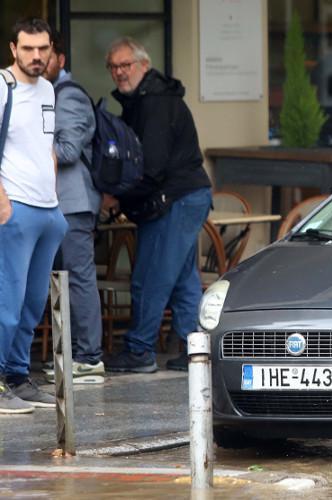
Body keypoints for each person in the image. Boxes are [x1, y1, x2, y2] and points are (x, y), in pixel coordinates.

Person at [102, 37, 212, 373]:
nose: (120, 72)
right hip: (186, 195)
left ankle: (139, 350)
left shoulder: (155, 104)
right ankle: (196, 351)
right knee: (181, 279)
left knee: (151, 276)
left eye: (126, 65)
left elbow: (150, 168)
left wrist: (118, 197)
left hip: (173, 199)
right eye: (114, 67)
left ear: (144, 66)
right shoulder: (145, 100)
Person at [0, 18, 67, 414]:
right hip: (15, 207)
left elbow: (47, 147)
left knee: (32, 302)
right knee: (7, 301)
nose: (36, 56)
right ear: (13, 49)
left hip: (47, 209)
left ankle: (17, 376)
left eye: (43, 48)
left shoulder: (48, 89)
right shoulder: (2, 87)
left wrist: (55, 198)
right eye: (28, 49)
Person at [41, 33, 105, 383]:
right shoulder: (44, 93)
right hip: (51, 202)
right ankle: (67, 354)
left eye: (46, 54)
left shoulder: (70, 95)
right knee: (50, 280)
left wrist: (29, 141)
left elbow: (66, 150)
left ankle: (89, 357)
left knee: (78, 279)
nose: (39, 61)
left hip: (73, 204)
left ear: (60, 59)